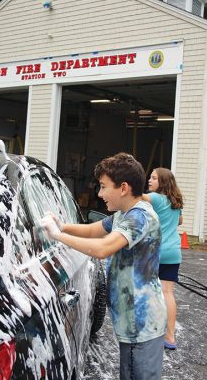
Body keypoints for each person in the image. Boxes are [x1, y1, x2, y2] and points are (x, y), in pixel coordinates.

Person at [41, 152, 167, 380]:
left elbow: (102, 248)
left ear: (123, 188)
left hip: (143, 324)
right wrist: (63, 225)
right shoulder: (123, 214)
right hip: (130, 323)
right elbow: (93, 229)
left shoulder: (140, 217)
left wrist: (58, 236)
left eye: (103, 186)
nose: (99, 194)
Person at [142, 168, 183, 350]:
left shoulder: (157, 198)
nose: (149, 180)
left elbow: (136, 196)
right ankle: (170, 337)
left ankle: (149, 332)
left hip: (157, 252)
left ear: (163, 182)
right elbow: (179, 221)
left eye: (153, 178)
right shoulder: (175, 201)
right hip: (173, 252)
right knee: (167, 293)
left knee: (149, 291)